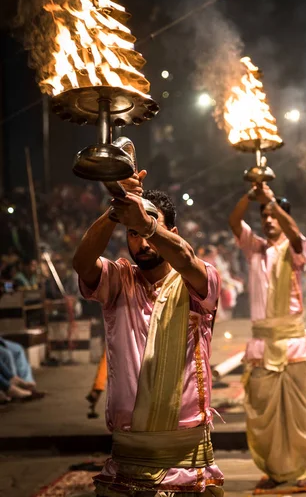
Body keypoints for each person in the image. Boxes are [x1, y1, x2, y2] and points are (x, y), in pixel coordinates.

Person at [73, 171, 224, 497]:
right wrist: (115, 209)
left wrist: (146, 224)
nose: (140, 241)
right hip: (128, 451)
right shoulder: (119, 279)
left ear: (172, 231)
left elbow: (184, 257)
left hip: (185, 453)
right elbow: (82, 262)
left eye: (149, 228)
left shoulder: (198, 280)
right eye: (132, 232)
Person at [229, 183, 306, 494]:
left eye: (274, 216)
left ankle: (303, 470)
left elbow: (296, 235)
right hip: (261, 343)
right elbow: (234, 221)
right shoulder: (254, 247)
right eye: (264, 216)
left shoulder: (295, 247)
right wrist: (249, 196)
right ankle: (274, 470)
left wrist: (272, 202)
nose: (268, 221)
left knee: (299, 412)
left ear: (283, 218)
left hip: (292, 341)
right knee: (261, 412)